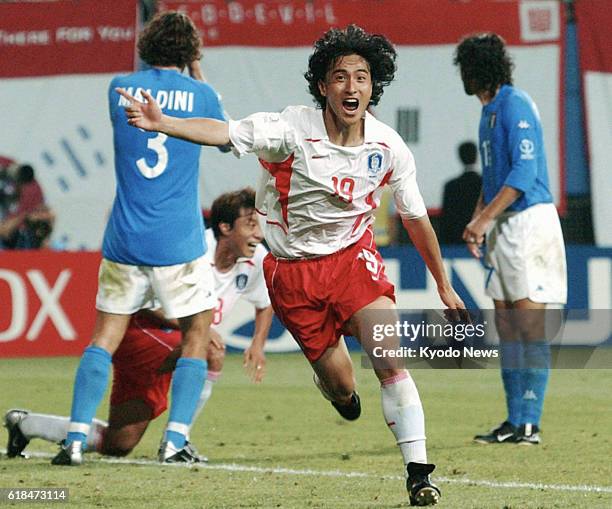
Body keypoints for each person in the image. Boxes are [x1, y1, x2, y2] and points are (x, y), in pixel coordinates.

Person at [117, 25, 470, 506]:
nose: (351, 87)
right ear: (323, 86)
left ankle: (419, 474)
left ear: (374, 87)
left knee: (389, 357)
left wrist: (444, 286)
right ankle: (338, 392)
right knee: (344, 386)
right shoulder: (287, 130)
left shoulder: (389, 148)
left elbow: (414, 218)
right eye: (340, 77)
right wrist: (164, 125)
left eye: (361, 77)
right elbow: (224, 132)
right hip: (292, 274)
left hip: (353, 262)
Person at [50, 11, 229, 466]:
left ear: (148, 45)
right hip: (179, 242)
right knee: (197, 334)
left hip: (125, 238)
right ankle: (175, 440)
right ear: (189, 53)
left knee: (104, 338)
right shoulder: (203, 95)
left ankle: (73, 439)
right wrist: (198, 73)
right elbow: (227, 136)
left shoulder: (119, 88)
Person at [6, 188, 272, 461]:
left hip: (176, 343)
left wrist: (258, 344)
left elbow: (265, 302)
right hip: (141, 331)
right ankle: (178, 442)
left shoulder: (256, 259)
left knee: (119, 442)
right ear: (225, 227)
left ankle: (25, 424)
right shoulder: (191, 250)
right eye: (250, 224)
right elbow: (147, 302)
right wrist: (196, 327)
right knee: (209, 350)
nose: (258, 234)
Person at [453, 33, 567, 445]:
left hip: (530, 223)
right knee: (506, 324)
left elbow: (523, 174)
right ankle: (514, 419)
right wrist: (477, 221)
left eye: (465, 68)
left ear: (477, 69)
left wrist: (484, 220)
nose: (462, 77)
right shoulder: (488, 112)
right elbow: (495, 176)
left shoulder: (515, 103)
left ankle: (530, 423)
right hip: (504, 225)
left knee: (528, 325)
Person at [439, 141, 482, 244]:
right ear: (476, 156)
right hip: (481, 237)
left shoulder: (451, 186)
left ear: (460, 157)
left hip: (456, 239)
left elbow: (446, 218)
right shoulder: (485, 183)